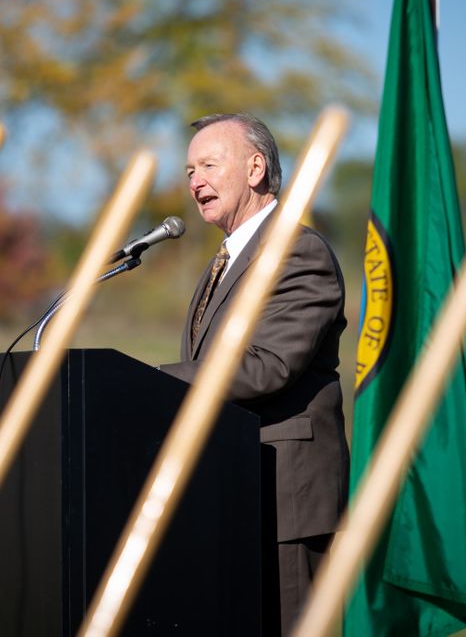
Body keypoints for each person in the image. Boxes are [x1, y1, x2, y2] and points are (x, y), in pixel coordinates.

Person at [159, 113, 349, 635]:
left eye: (208, 165)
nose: (194, 180)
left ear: (255, 169)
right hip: (231, 490)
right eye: (188, 169)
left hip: (282, 498)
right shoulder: (222, 262)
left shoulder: (296, 250)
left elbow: (269, 366)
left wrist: (154, 382)